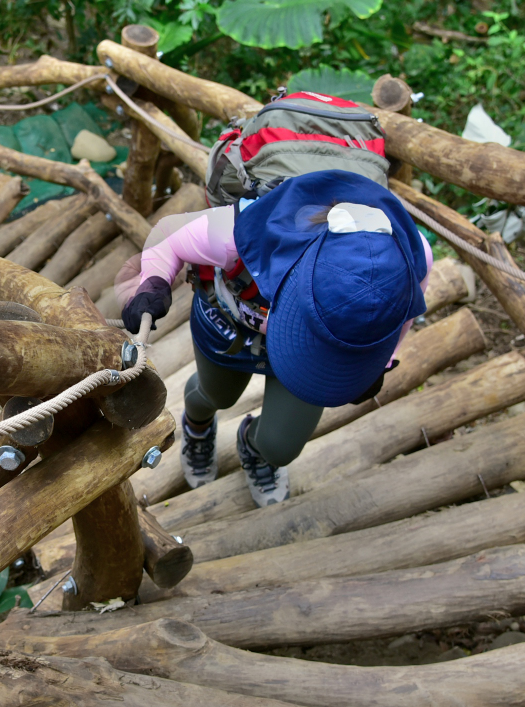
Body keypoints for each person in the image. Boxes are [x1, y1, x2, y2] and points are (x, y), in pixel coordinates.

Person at [120, 167, 432, 507]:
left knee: (281, 445)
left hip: (322, 348)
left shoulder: (409, 257)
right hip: (230, 321)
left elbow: (403, 315)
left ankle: (254, 446)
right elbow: (170, 237)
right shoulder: (240, 232)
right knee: (215, 395)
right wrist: (152, 283)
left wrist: (377, 364)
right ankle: (197, 428)